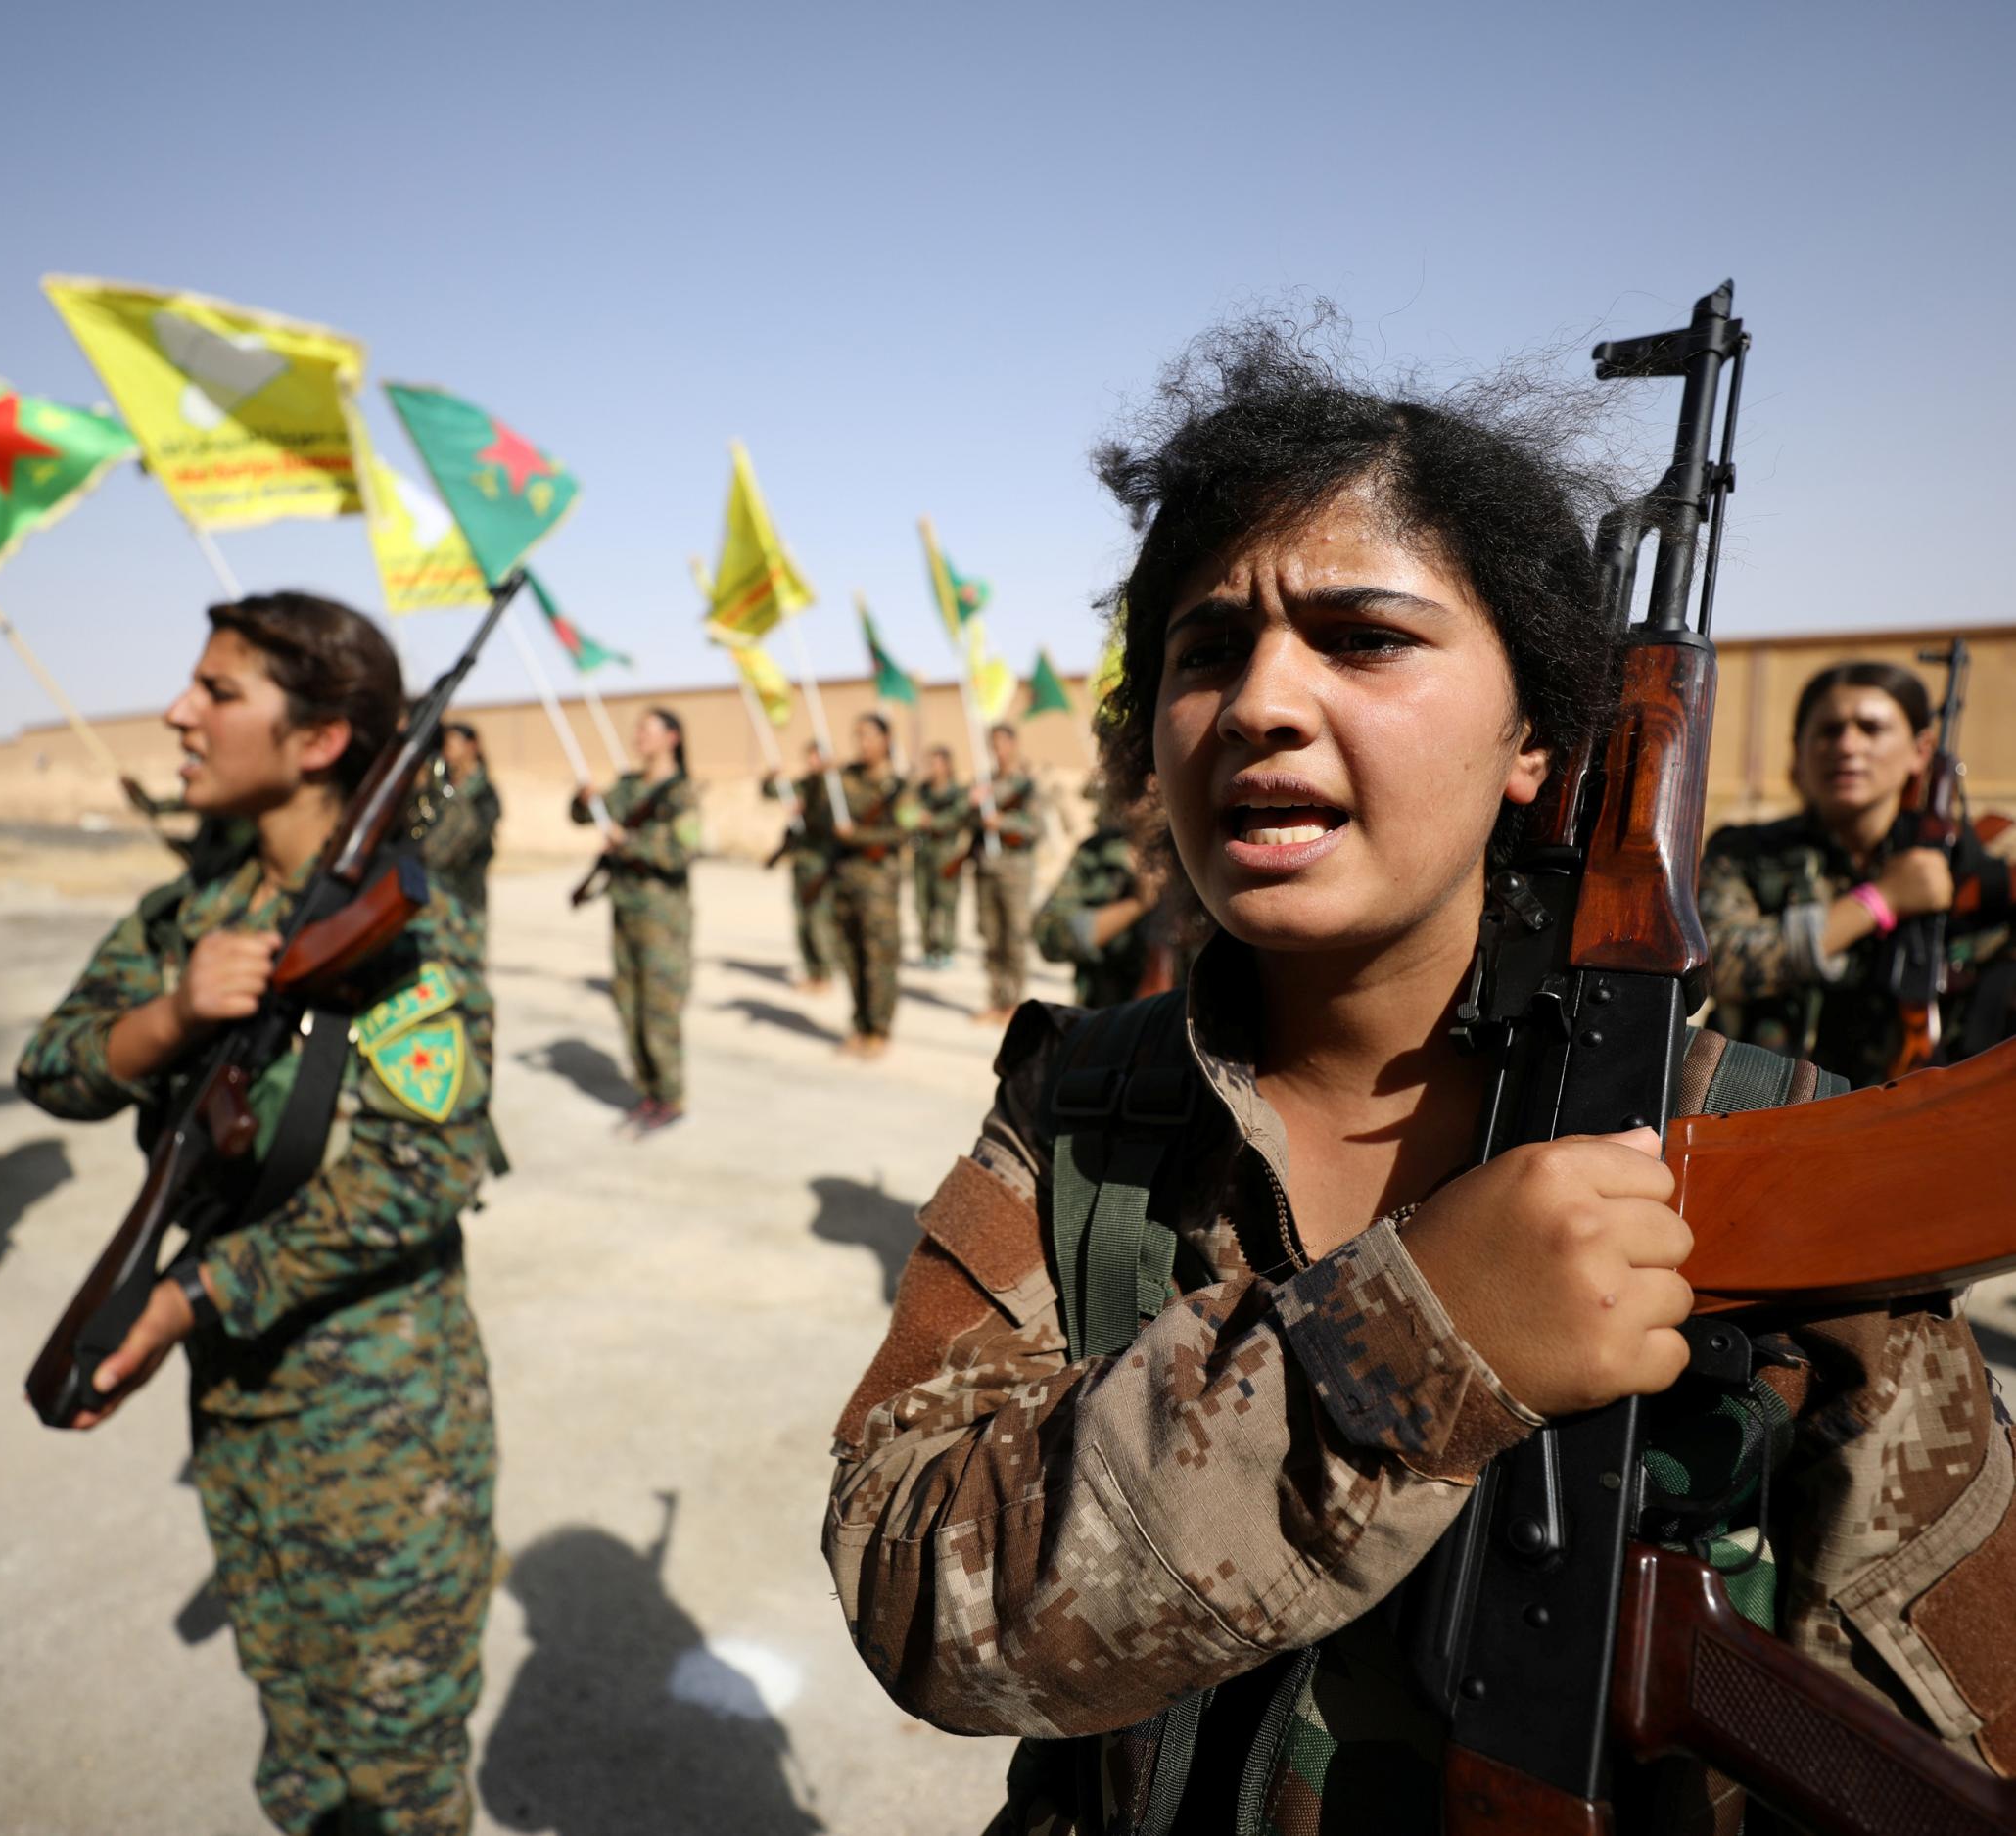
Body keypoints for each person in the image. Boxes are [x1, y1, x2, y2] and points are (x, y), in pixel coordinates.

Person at [822, 323, 2015, 1832]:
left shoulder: (1770, 1152)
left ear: (1537, 736)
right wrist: (1409, 1346)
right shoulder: (1085, 1109)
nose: (1261, 699)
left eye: (1364, 637)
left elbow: (1948, 1743)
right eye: (1205, 649)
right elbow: (912, 1586)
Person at [16, 592, 497, 1836]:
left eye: (217, 692)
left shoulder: (399, 923)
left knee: (396, 1776)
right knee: (298, 1754)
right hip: (236, 1409)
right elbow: (53, 1064)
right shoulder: (192, 909)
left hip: (378, 1420)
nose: (178, 712)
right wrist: (174, 1018)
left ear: (321, 739)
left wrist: (187, 1295)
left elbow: (422, 1170)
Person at [1700, 660, 2016, 1085]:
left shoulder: (1982, 859)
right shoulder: (1744, 852)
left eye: (1871, 729)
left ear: (1920, 751)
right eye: (1829, 730)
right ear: (1800, 748)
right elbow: (1714, 966)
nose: (1848, 746)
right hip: (1769, 1103)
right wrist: (1880, 901)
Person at [569, 709, 699, 1134]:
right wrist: (583, 800)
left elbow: (683, 850)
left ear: (672, 737)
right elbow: (585, 816)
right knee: (628, 1002)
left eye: (647, 728)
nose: (637, 734)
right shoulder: (627, 786)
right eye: (637, 726)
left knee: (660, 1007)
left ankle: (670, 1094)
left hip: (663, 919)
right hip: (624, 910)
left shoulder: (681, 792)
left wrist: (632, 841)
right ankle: (648, 1088)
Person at [1027, 776, 1187, 1009]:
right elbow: (1050, 937)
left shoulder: (1203, 855)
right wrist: (1135, 905)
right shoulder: (1096, 854)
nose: (1149, 784)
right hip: (1110, 1016)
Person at [828, 712, 909, 1058]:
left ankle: (880, 1027)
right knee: (851, 954)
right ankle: (859, 1023)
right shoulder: (843, 779)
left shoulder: (901, 786)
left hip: (879, 883)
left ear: (886, 740)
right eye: (856, 736)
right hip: (845, 879)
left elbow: (905, 831)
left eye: (868, 736)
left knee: (880, 957)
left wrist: (857, 836)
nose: (861, 743)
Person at [967, 721, 1042, 1022]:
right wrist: (973, 808)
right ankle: (996, 998)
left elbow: (1035, 827)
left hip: (1014, 869)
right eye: (992, 743)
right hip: (987, 868)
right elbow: (968, 824)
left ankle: (1014, 1002)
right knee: (991, 934)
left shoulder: (1026, 784)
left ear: (1013, 744)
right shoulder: (984, 783)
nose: (996, 749)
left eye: (1002, 742)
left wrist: (1004, 822)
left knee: (1014, 935)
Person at [763, 740, 840, 992]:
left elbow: (832, 815)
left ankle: (825, 973)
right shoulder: (804, 785)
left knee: (819, 919)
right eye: (809, 757)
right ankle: (811, 971)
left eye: (816, 757)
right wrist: (770, 778)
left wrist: (807, 810)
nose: (812, 762)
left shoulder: (835, 787)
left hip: (822, 861)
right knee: (802, 919)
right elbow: (771, 792)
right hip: (802, 860)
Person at [414, 721, 501, 918]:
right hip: (427, 902)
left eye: (452, 744)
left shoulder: (485, 796)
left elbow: (467, 837)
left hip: (463, 903)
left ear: (472, 746)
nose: (446, 751)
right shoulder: (437, 787)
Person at [902, 743, 970, 967]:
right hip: (923, 853)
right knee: (922, 904)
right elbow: (907, 815)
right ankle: (928, 948)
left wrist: (931, 820)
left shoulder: (957, 792)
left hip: (947, 854)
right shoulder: (921, 791)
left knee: (946, 903)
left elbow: (957, 817)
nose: (931, 768)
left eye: (935, 763)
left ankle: (947, 949)